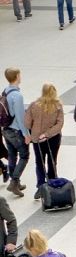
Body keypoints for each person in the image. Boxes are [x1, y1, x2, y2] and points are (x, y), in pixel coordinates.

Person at [24, 83, 64, 199]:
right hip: (53, 138)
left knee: (39, 162)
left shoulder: (34, 105)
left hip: (37, 139)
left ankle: (40, 187)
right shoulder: (57, 106)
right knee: (52, 161)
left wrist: (35, 129)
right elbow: (60, 123)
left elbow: (26, 123)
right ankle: (52, 184)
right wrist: (47, 134)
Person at [3, 68, 28, 198]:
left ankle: (15, 182)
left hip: (6, 130)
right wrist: (26, 134)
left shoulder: (5, 91)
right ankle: (14, 182)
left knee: (12, 155)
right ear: (17, 76)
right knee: (24, 156)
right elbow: (20, 117)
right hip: (15, 131)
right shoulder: (17, 96)